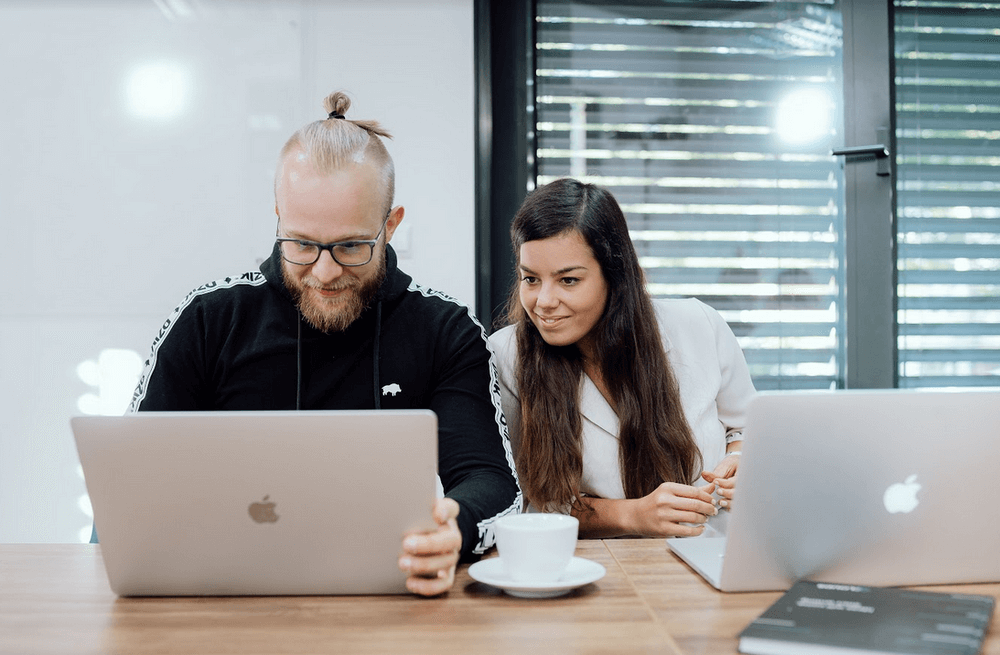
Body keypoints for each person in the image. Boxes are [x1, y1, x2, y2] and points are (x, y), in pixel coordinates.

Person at [123, 91, 521, 595]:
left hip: (385, 594)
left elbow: (493, 483)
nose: (326, 272)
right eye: (303, 244)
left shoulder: (446, 331)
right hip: (221, 590)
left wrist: (453, 529)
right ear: (278, 219)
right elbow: (135, 473)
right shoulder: (207, 321)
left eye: (352, 246)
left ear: (390, 226)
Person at [488, 178, 754, 539]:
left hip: (715, 548)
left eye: (568, 280)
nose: (543, 301)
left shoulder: (698, 324)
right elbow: (525, 501)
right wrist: (630, 514)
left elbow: (749, 427)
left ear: (614, 276)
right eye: (530, 279)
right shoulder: (507, 356)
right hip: (601, 567)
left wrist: (740, 461)